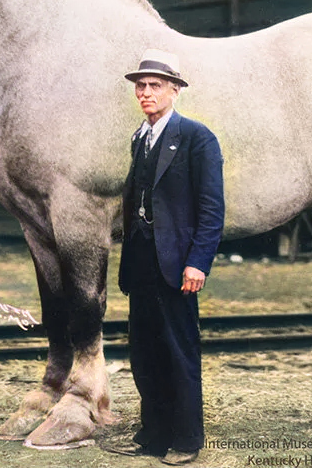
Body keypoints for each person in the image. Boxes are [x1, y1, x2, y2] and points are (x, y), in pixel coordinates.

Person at [112, 49, 224, 465]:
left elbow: (212, 210)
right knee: (144, 350)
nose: (145, 93)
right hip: (141, 261)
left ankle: (186, 439)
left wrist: (199, 262)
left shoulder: (197, 138)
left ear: (175, 90)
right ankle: (152, 435)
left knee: (179, 350)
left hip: (178, 263)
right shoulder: (139, 137)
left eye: (154, 85)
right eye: (140, 86)